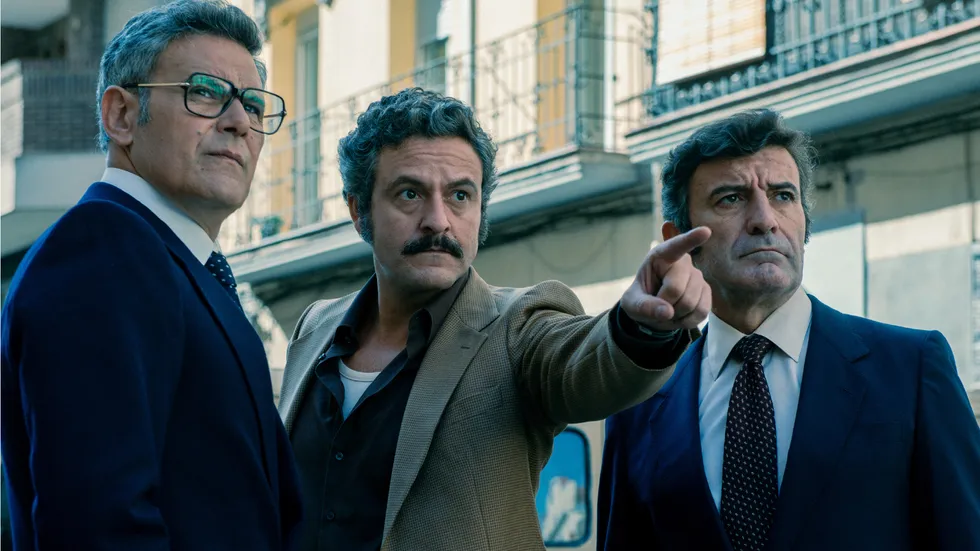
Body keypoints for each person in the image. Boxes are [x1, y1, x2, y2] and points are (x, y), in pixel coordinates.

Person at [276, 87, 712, 550]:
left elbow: (588, 362)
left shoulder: (519, 325)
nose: (438, 220)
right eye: (410, 193)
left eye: (460, 195)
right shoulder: (315, 327)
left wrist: (640, 327)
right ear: (358, 209)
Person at [597, 109, 980, 551]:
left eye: (782, 195)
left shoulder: (911, 369)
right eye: (731, 199)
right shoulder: (639, 403)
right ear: (677, 238)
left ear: (804, 223)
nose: (765, 220)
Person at [0, 1, 302, 549]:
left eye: (254, 104)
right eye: (205, 92)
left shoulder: (175, 263)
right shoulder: (102, 249)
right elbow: (98, 524)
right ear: (121, 116)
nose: (240, 122)